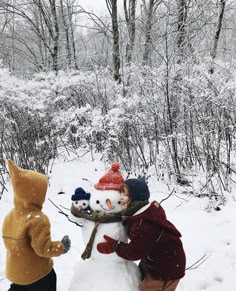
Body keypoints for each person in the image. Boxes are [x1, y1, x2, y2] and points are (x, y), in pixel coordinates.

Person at [97, 178, 186, 291]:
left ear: (136, 198)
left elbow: (134, 252)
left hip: (166, 270)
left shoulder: (144, 224)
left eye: (126, 194)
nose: (121, 197)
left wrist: (115, 245)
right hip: (154, 259)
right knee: (138, 280)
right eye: (120, 193)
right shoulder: (142, 214)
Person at [2, 160, 71, 291]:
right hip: (36, 275)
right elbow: (44, 249)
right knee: (50, 278)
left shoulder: (10, 216)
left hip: (17, 274)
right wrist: (61, 247)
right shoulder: (37, 220)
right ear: (34, 194)